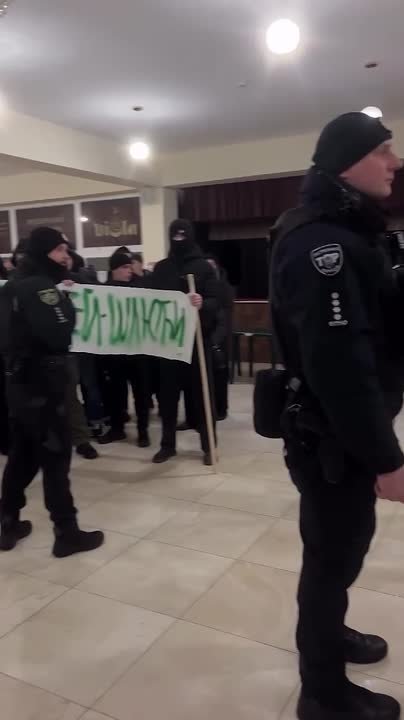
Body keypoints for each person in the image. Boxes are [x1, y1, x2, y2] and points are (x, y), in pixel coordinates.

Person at [271, 113, 403, 720]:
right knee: (331, 558)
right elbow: (341, 368)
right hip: (331, 438)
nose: (394, 162)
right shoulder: (320, 244)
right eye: (383, 151)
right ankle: (322, 693)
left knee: (343, 551)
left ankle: (332, 632)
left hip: (342, 433)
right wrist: (386, 459)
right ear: (348, 162)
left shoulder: (350, 231)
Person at [0, 227, 104, 557]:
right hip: (44, 386)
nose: (65, 256)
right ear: (43, 252)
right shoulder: (41, 288)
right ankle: (66, 532)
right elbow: (60, 333)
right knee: (56, 460)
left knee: (22, 457)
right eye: (59, 250)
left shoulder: (13, 285)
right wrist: (67, 306)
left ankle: (7, 522)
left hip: (18, 386)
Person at [151, 219, 219, 465]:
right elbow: (149, 300)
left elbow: (216, 300)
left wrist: (203, 303)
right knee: (168, 397)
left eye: (183, 235)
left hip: (197, 342)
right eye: (175, 235)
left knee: (202, 396)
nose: (179, 239)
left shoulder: (203, 267)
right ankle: (167, 445)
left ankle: (209, 446)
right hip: (169, 343)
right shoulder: (162, 268)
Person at [98, 252, 151, 448]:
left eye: (130, 266)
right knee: (115, 394)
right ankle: (117, 428)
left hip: (138, 352)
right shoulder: (102, 291)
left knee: (141, 394)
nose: (129, 271)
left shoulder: (140, 288)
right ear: (114, 269)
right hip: (115, 353)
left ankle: (143, 431)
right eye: (124, 267)